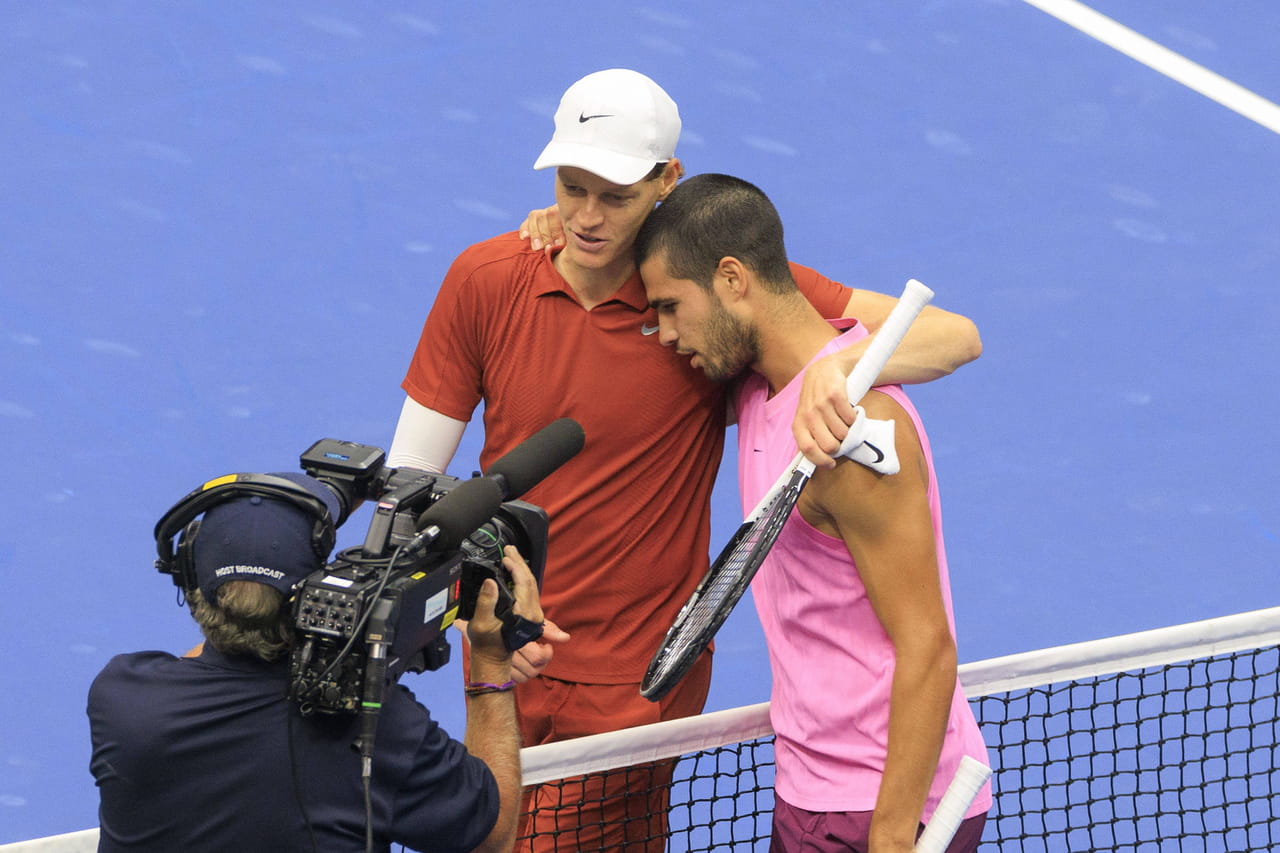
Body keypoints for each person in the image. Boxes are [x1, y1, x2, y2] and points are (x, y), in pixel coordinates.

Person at [388, 69, 982, 851]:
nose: (587, 219)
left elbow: (953, 335)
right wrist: (473, 605)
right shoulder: (486, 279)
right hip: (502, 656)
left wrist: (837, 367)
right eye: (572, 188)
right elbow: (407, 492)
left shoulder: (705, 295)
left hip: (634, 688)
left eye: (616, 196)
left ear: (667, 183)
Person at [634, 172, 991, 853]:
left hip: (880, 806)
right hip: (811, 789)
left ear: (733, 279)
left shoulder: (856, 435)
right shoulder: (756, 385)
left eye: (672, 307)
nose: (665, 333)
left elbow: (928, 646)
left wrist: (890, 833)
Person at [87, 472, 541, 853]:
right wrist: (490, 663)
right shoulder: (378, 725)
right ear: (314, 594)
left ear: (189, 581)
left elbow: (213, 661)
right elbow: (493, 832)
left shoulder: (122, 697)